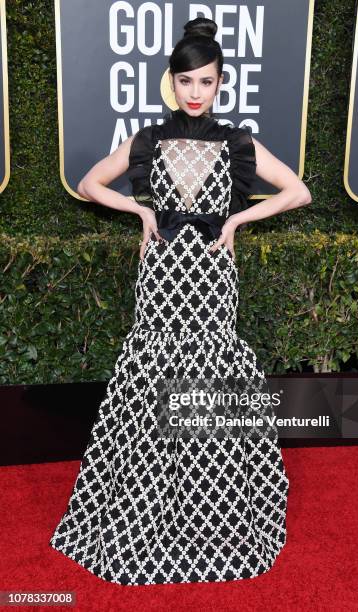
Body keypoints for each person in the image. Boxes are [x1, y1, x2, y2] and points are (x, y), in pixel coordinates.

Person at [49, 17, 311, 586]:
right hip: (162, 276)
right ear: (172, 83)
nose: (196, 92)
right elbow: (91, 182)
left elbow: (299, 191)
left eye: (207, 82)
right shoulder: (148, 138)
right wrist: (140, 211)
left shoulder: (238, 142)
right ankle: (145, 511)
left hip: (213, 278)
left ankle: (211, 512)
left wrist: (239, 217)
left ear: (221, 85)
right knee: (154, 379)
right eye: (186, 81)